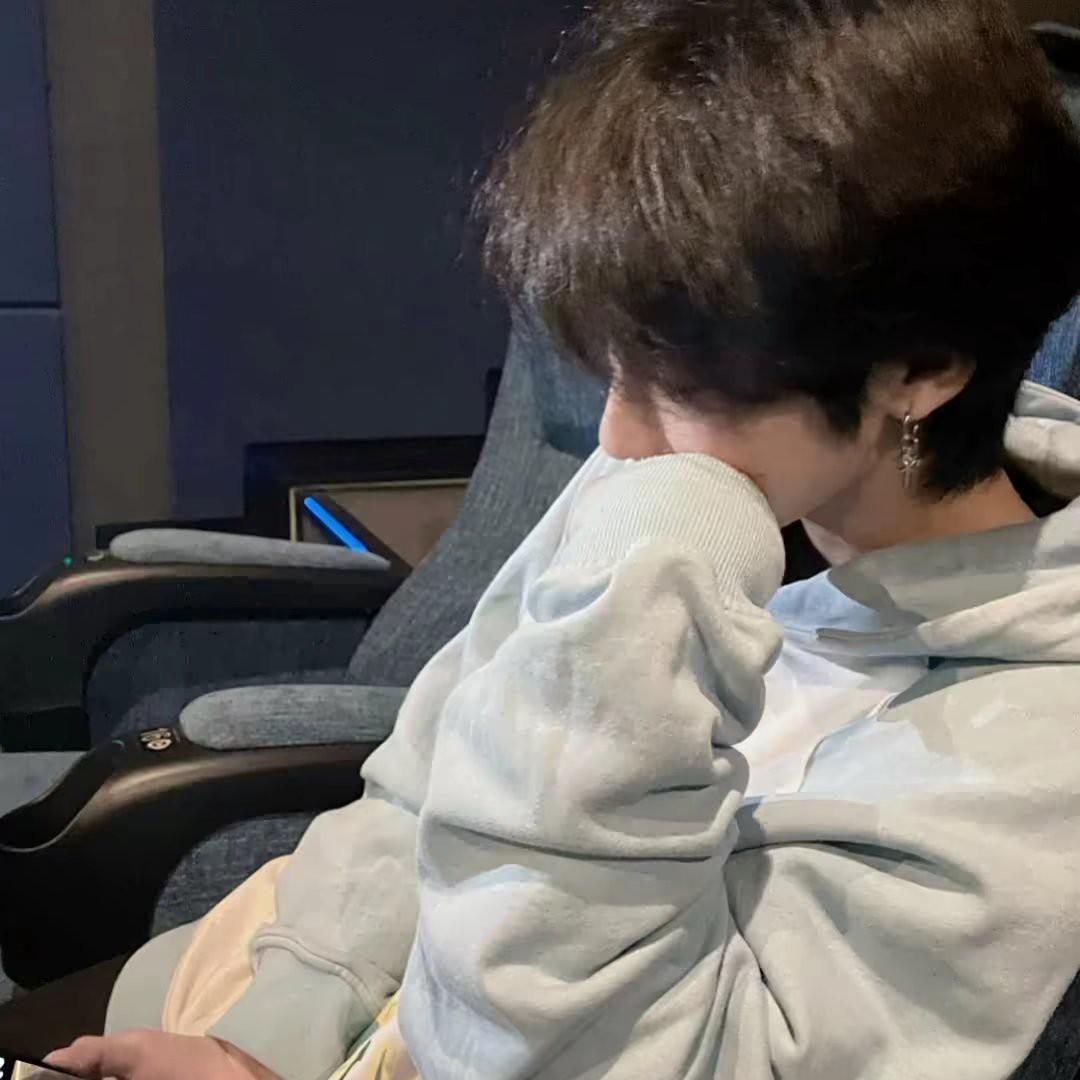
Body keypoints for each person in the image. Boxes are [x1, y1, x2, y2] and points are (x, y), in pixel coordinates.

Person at [46, 0, 1080, 1077]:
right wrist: (263, 1044)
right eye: (615, 370)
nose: (619, 439)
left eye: (682, 386)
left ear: (921, 370)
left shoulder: (1026, 756)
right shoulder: (688, 491)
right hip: (285, 995)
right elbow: (440, 758)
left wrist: (643, 600)